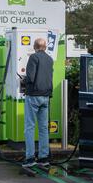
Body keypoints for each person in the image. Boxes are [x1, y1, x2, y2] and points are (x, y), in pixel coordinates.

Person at [22, 38, 54, 168]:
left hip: (33, 96)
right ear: (45, 47)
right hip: (45, 96)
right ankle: (43, 157)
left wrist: (24, 80)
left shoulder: (33, 58)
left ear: (35, 46)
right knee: (43, 128)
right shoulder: (50, 59)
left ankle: (30, 158)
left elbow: (30, 77)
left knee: (29, 127)